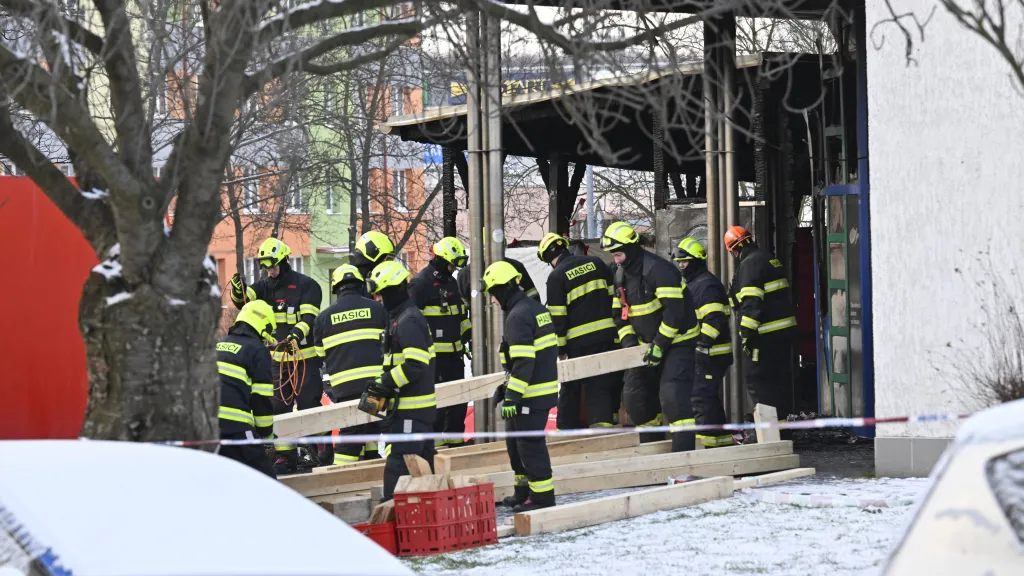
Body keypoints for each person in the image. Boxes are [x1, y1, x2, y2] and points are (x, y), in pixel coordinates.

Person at [229, 237, 324, 474]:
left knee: (309, 406)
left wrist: (293, 337)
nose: (270, 271)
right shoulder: (263, 287)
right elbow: (243, 302)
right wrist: (237, 289)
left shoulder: (307, 285)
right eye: (266, 267)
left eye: (273, 265)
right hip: (277, 363)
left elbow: (309, 320)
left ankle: (320, 451)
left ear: (283, 261)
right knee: (277, 409)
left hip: (304, 359)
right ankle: (285, 455)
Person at [602, 221, 698, 452]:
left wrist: (660, 345)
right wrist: (630, 344)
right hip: (645, 345)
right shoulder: (619, 275)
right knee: (636, 397)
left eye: (619, 254)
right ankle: (653, 452)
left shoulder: (659, 270)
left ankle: (682, 459)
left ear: (632, 247)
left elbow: (675, 313)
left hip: (678, 342)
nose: (616, 260)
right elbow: (619, 315)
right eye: (613, 255)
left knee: (672, 395)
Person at [483, 261, 557, 512]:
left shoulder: (518, 315)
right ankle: (522, 491)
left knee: (529, 445)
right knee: (516, 446)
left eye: (493, 293)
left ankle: (542, 498)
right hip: (532, 390)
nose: (493, 301)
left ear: (502, 289)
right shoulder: (531, 309)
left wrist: (512, 397)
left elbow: (524, 362)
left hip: (530, 395)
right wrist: (507, 390)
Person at [364, 260, 438, 500]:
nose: (377, 299)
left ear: (390, 290)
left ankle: (392, 513)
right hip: (411, 411)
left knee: (401, 463)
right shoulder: (401, 318)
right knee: (422, 465)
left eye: (379, 294)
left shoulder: (408, 320)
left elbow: (416, 364)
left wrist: (385, 382)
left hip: (412, 413)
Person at [538, 232, 618, 429]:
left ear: (548, 259)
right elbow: (613, 297)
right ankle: (603, 429)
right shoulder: (597, 262)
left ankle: (566, 430)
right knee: (601, 385)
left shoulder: (556, 277)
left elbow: (557, 319)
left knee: (570, 387)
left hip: (577, 344)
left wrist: (561, 350)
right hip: (607, 336)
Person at [312, 264, 388, 465]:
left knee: (351, 429)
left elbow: (320, 354)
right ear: (359, 284)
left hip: (345, 389)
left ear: (336, 288)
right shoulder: (378, 309)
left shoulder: (323, 318)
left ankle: (340, 476)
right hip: (375, 385)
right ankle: (371, 461)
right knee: (371, 422)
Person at [724, 225, 798, 419]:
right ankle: (782, 431)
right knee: (778, 385)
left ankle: (769, 435)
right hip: (782, 335)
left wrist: (746, 336)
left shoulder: (749, 265)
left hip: (765, 337)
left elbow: (752, 305)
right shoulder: (768, 259)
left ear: (734, 250)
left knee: (759, 383)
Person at [671, 238, 734, 448]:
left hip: (711, 353)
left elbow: (714, 320)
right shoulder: (694, 284)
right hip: (704, 353)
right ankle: (719, 445)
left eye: (685, 262)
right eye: (679, 262)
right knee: (704, 398)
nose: (681, 266)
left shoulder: (706, 285)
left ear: (697, 261)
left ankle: (713, 448)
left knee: (701, 398)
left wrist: (700, 345)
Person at [409, 237, 470, 448]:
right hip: (434, 358)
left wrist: (468, 334)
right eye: (453, 264)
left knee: (458, 400)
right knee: (437, 403)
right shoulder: (420, 284)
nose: (454, 269)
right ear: (443, 260)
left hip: (455, 356)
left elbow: (460, 315)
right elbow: (412, 321)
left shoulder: (451, 282)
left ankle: (455, 441)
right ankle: (433, 446)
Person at [216, 300, 277, 477]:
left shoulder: (218, 345)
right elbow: (261, 402)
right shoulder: (257, 351)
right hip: (235, 430)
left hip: (205, 427)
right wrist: (266, 440)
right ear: (263, 326)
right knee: (266, 480)